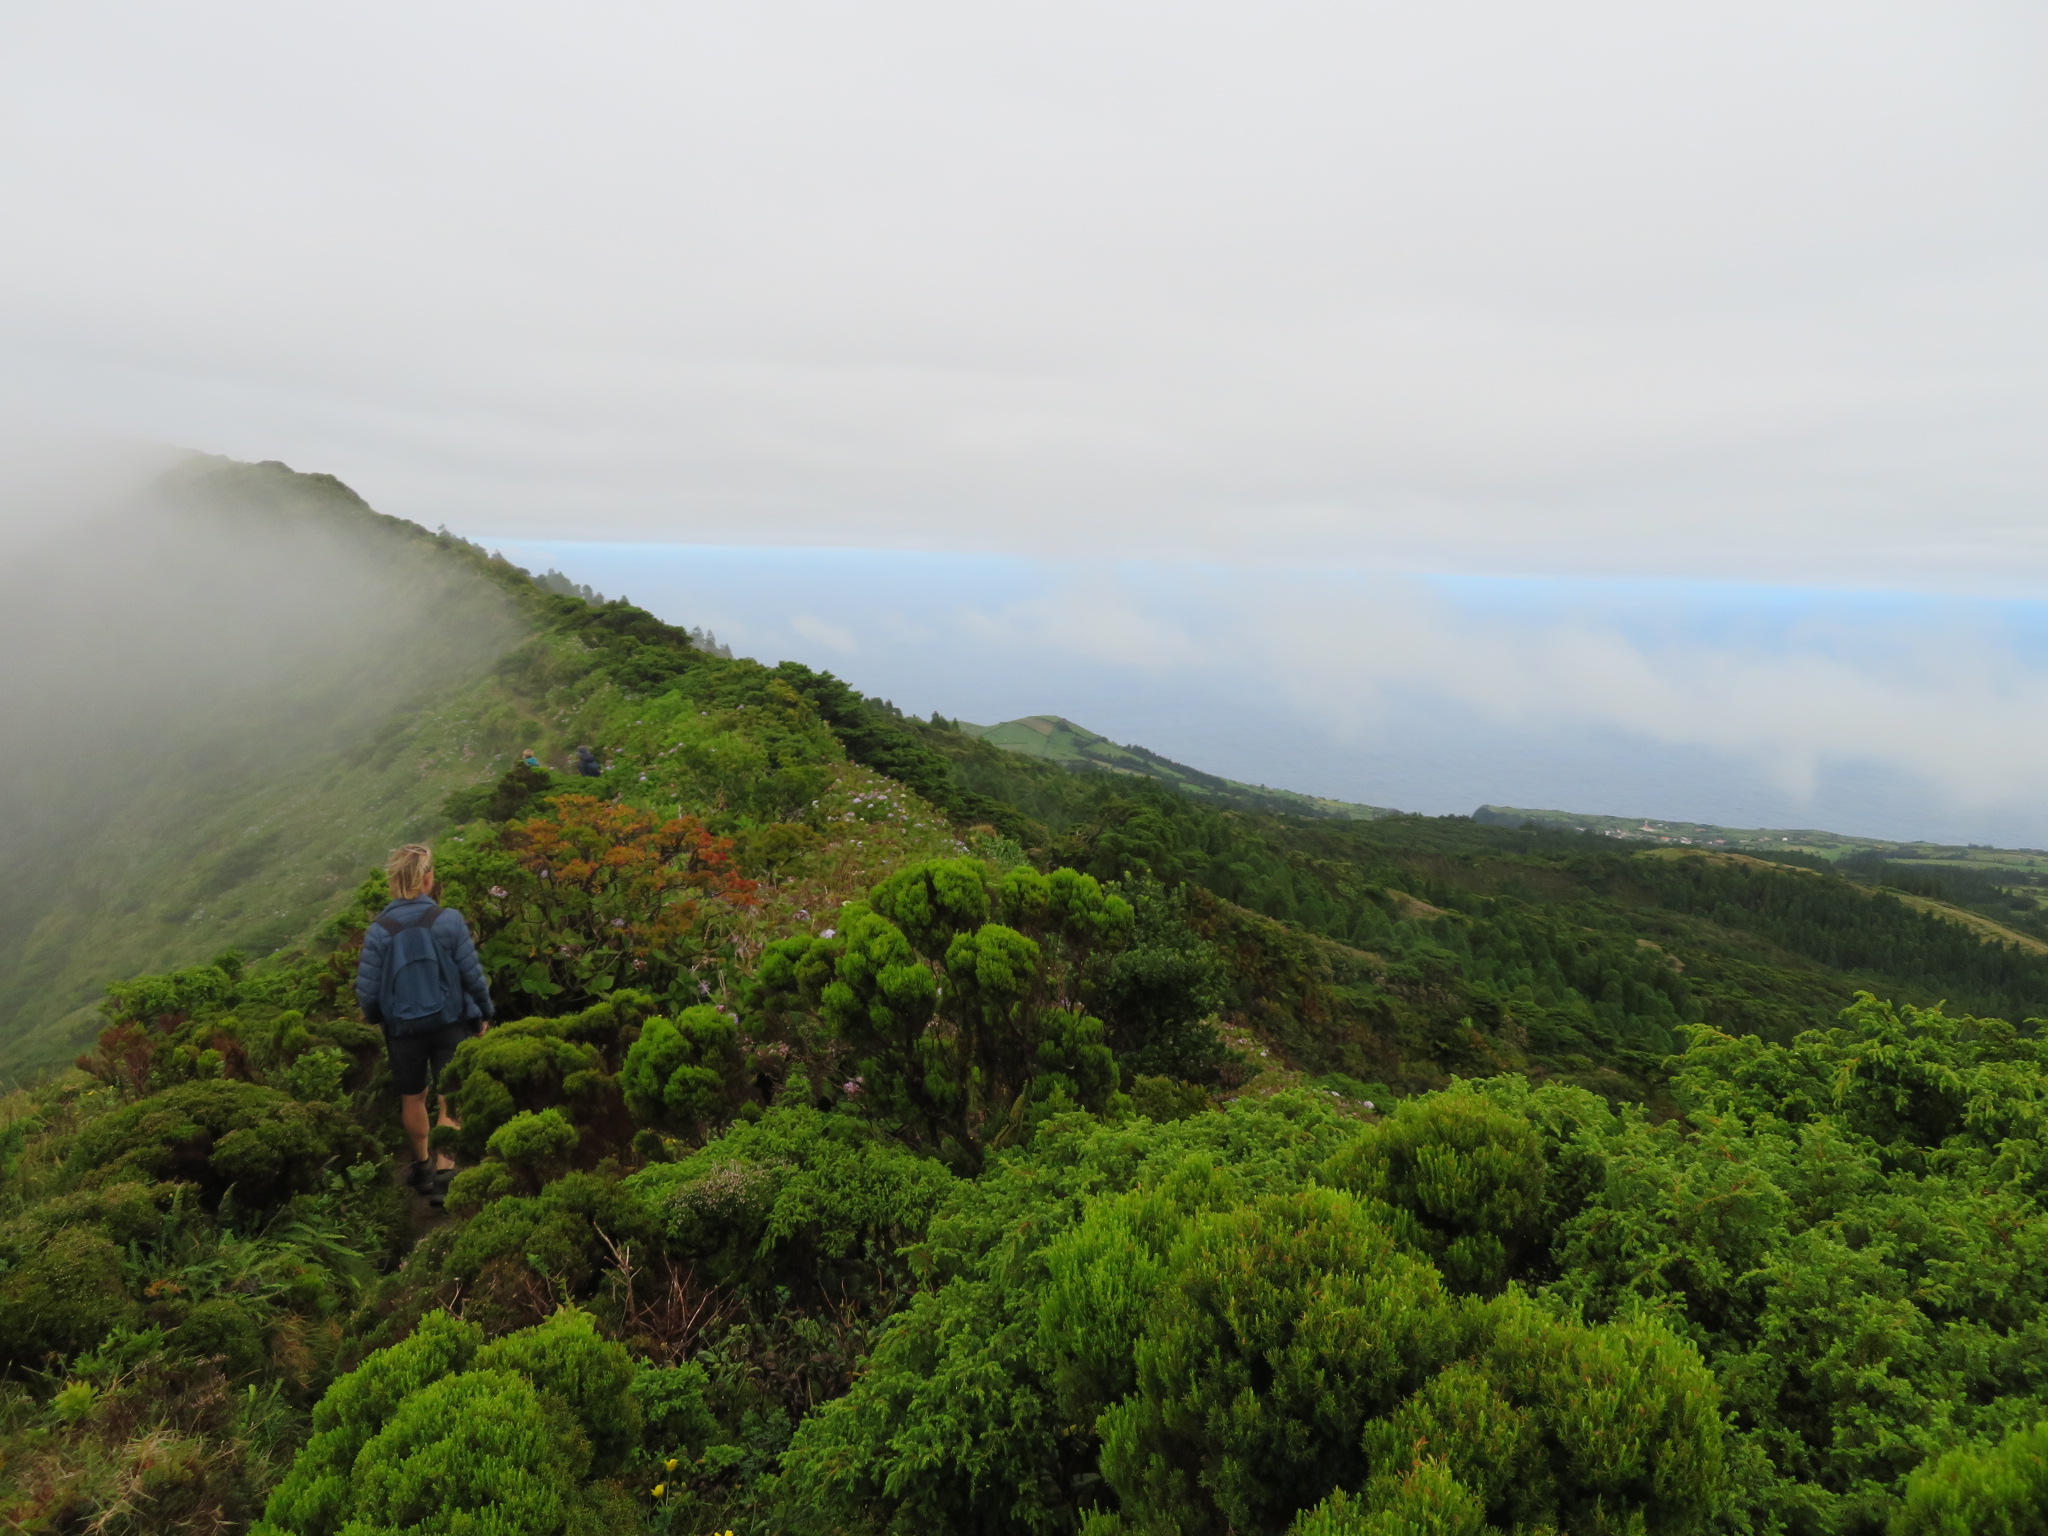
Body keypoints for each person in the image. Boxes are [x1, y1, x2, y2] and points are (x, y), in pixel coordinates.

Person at [355, 843, 494, 1206]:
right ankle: (447, 1173)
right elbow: (471, 975)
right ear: (428, 878)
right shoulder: (448, 920)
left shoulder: (380, 931)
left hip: (403, 1031)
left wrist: (378, 1019)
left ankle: (421, 1168)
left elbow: (367, 991)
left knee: (413, 1097)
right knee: (451, 1098)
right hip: (450, 1023)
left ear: (394, 881)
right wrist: (482, 1014)